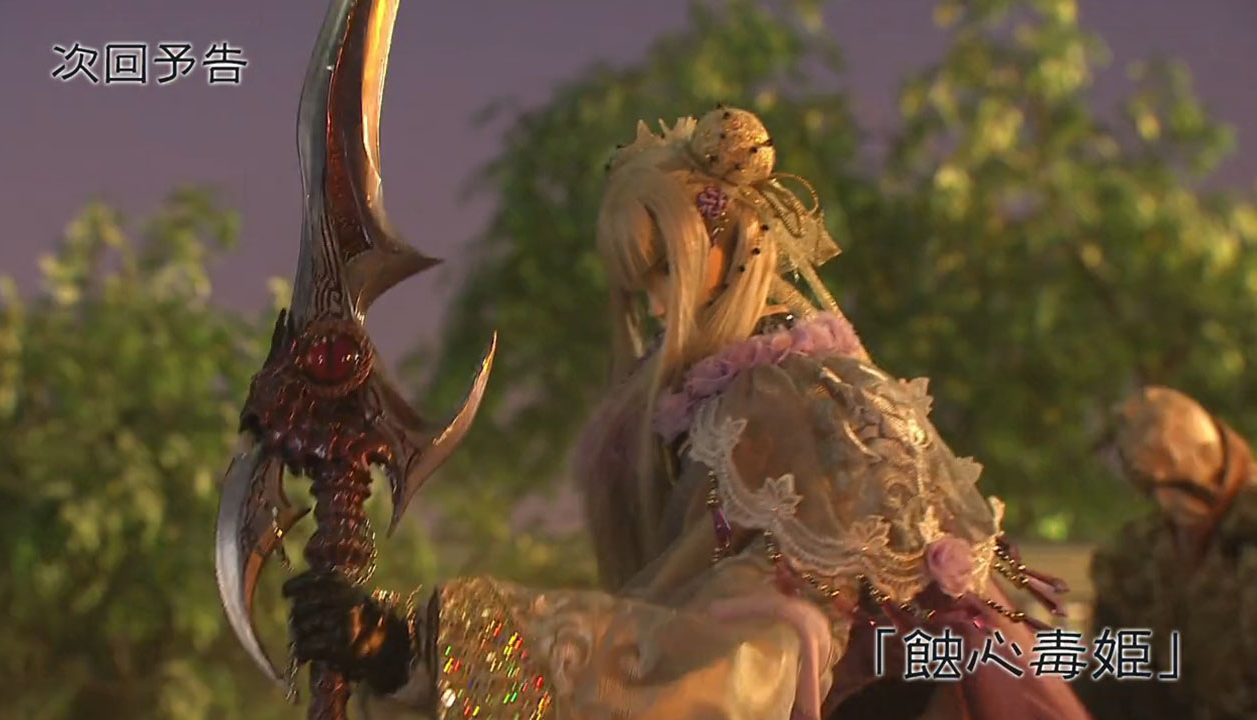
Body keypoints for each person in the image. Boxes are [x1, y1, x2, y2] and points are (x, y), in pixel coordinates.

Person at [283, 107, 1093, 719]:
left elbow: (750, 654)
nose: (654, 305)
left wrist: (425, 646)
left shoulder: (791, 399)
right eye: (640, 284)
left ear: (737, 248)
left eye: (667, 270)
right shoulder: (726, 403)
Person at [1077, 386, 1257, 720]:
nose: (1166, 501)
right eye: (1148, 485)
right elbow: (1114, 678)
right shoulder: (1131, 558)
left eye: (1179, 484)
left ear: (1211, 455)